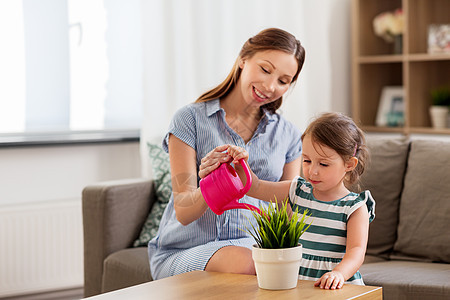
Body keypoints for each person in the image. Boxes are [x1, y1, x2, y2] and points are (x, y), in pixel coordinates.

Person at [148, 28, 306, 280]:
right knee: (252, 265)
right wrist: (215, 182)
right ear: (244, 59)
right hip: (185, 250)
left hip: (252, 248)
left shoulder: (288, 135)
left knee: (281, 265)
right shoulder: (190, 120)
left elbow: (287, 213)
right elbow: (184, 211)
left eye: (283, 81)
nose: (270, 86)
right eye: (265, 69)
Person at [224, 112, 375, 290]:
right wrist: (241, 165)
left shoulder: (354, 208)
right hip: (300, 281)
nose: (312, 171)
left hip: (336, 286)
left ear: (349, 165)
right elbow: (255, 187)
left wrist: (339, 273)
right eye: (307, 160)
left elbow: (356, 251)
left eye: (323, 164)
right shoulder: (297, 190)